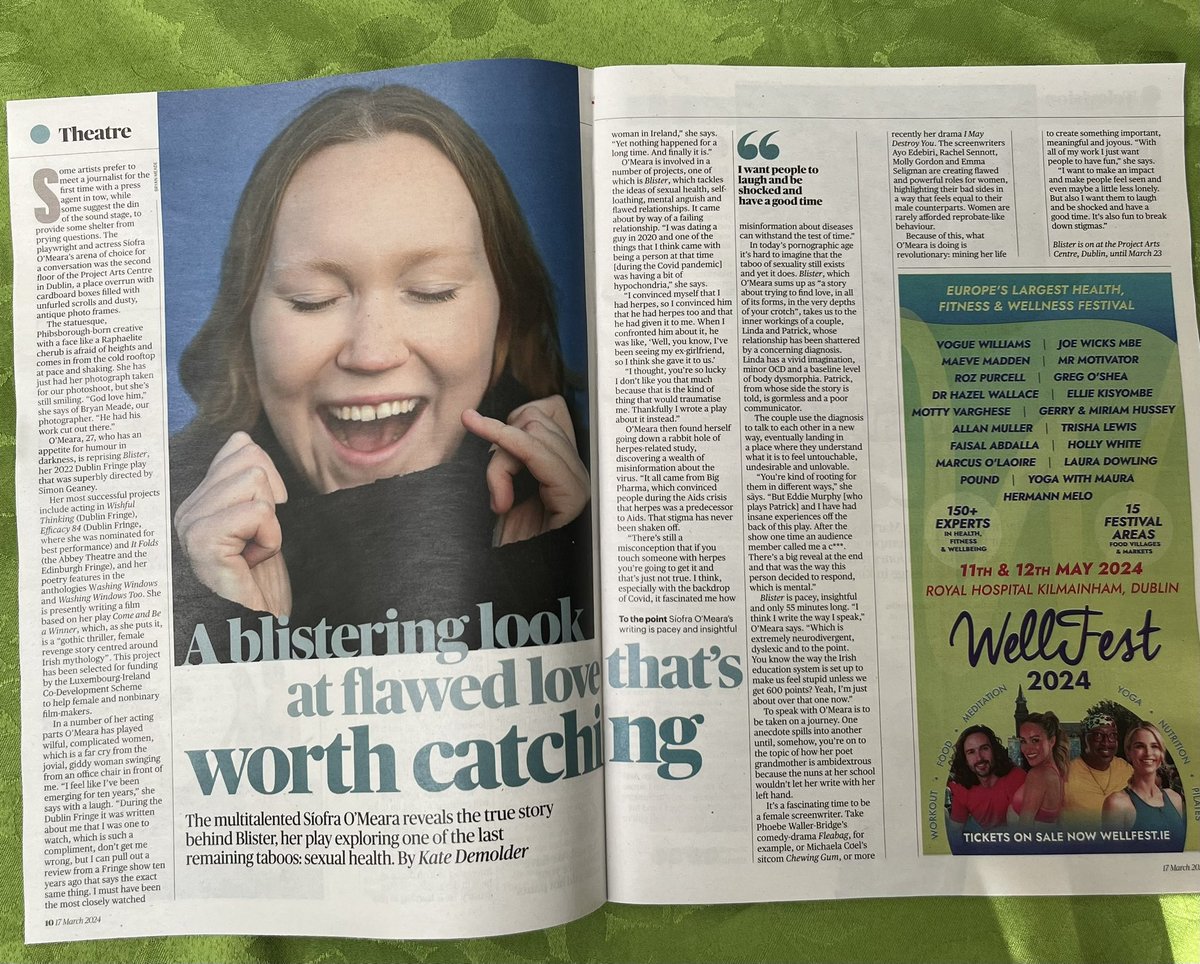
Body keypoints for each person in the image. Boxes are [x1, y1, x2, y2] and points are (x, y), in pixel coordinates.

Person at [170, 85, 590, 662]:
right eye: (312, 299)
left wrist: (535, 572)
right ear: (247, 333)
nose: (371, 353)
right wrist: (233, 630)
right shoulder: (140, 541)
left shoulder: (608, 513)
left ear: (503, 327)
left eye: (430, 292)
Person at [1102, 722, 1186, 850]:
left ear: (1162, 753)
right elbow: (1113, 863)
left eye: (1155, 746)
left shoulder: (1175, 799)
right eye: (1140, 746)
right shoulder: (1117, 804)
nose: (1148, 753)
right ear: (1129, 752)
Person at [945, 724, 1025, 851]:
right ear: (965, 759)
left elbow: (1023, 832)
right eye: (971, 752)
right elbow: (955, 833)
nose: (979, 758)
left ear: (994, 750)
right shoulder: (962, 788)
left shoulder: (1016, 777)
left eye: (984, 748)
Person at [1061, 712, 1133, 830]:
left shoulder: (1126, 769)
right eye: (1098, 735)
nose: (1106, 742)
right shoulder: (1065, 774)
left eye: (1112, 736)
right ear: (1084, 739)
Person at [1009, 711, 1068, 826]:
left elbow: (1025, 828)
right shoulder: (1058, 770)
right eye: (1023, 741)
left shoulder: (1038, 774)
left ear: (1052, 741)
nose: (1027, 749)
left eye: (1035, 740)